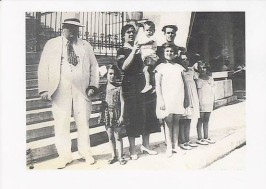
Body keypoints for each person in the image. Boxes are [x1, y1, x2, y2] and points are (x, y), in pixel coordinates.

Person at [38, 18, 99, 168]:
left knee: (83, 121)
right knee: (61, 122)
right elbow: (43, 66)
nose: (74, 31)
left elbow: (94, 66)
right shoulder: (51, 44)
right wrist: (44, 88)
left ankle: (85, 152)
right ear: (63, 28)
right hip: (59, 88)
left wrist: (93, 85)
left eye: (76, 28)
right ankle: (64, 156)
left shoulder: (86, 46)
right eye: (70, 28)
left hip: (82, 89)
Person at [117, 24, 161, 160]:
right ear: (123, 35)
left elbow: (148, 63)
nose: (131, 34)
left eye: (133, 32)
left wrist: (151, 60)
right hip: (130, 85)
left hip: (143, 83)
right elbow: (123, 67)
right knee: (132, 115)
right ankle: (132, 148)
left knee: (147, 113)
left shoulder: (141, 48)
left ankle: (145, 145)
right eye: (128, 32)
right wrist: (133, 52)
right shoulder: (122, 50)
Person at [155, 43, 186, 157]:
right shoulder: (160, 68)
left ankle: (176, 145)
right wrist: (161, 100)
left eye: (171, 51)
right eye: (167, 51)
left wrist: (185, 99)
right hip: (166, 98)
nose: (169, 53)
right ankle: (169, 146)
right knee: (168, 122)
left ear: (175, 54)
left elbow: (184, 84)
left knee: (176, 121)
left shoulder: (179, 67)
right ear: (163, 53)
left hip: (178, 96)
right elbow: (158, 85)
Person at [99, 65, 127, 165]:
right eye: (110, 73)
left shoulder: (119, 87)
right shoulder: (103, 88)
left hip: (116, 113)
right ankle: (113, 155)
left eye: (114, 74)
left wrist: (121, 116)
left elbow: (123, 102)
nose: (112, 76)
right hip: (107, 114)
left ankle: (120, 156)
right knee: (110, 136)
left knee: (118, 136)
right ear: (106, 74)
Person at [179, 53, 200, 150]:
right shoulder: (180, 71)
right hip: (184, 95)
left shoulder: (192, 70)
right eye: (183, 59)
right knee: (183, 120)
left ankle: (187, 140)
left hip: (192, 95)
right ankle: (182, 141)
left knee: (189, 119)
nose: (185, 61)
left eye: (187, 59)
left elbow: (196, 82)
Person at [195, 61, 216, 145]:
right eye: (200, 68)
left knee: (207, 120)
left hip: (209, 102)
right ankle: (200, 138)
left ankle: (206, 136)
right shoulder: (197, 79)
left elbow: (213, 91)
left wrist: (213, 101)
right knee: (200, 120)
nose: (203, 70)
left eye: (204, 68)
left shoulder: (210, 79)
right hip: (201, 102)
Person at [137, 21, 159, 93]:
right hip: (146, 58)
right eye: (147, 30)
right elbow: (140, 48)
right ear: (144, 31)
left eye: (151, 30)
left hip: (151, 56)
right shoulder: (143, 38)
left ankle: (148, 85)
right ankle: (153, 86)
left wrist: (140, 44)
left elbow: (146, 43)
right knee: (149, 71)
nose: (149, 32)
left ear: (154, 31)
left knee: (146, 70)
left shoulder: (153, 38)